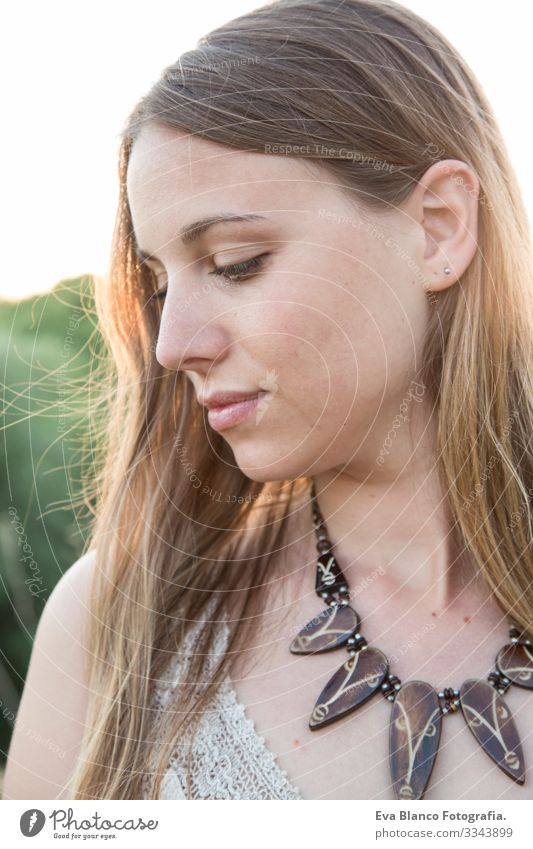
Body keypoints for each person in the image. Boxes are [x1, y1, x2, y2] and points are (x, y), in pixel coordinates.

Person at [4, 0, 533, 801]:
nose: (172, 343)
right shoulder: (116, 624)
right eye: (156, 284)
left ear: (437, 228)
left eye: (236, 261)